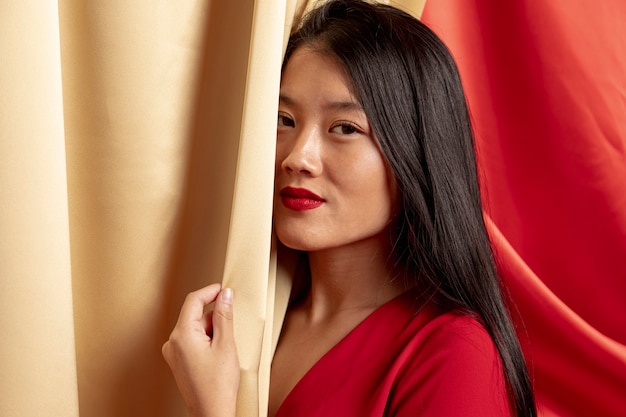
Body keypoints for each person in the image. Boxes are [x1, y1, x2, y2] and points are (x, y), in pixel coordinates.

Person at [162, 0, 537, 416]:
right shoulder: (256, 312)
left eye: (345, 128)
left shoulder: (453, 352)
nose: (297, 157)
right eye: (284, 120)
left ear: (416, 152)